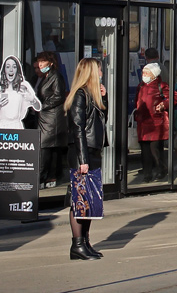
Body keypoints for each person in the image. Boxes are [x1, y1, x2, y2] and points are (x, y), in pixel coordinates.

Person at [64, 57, 107, 261]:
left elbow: (98, 121)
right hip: (83, 153)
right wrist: (83, 159)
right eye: (98, 70)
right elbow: (78, 128)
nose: (101, 73)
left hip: (92, 150)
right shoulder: (80, 95)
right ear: (91, 72)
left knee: (89, 201)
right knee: (79, 200)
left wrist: (103, 99)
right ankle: (77, 244)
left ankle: (86, 242)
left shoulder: (93, 95)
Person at [34, 52, 68, 187]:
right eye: (39, 62)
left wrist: (41, 106)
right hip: (46, 118)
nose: (40, 65)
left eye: (43, 62)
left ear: (51, 63)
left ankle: (44, 177)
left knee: (45, 147)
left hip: (52, 119)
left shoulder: (55, 76)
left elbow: (59, 96)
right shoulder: (46, 77)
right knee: (49, 148)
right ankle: (49, 176)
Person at [133, 62, 170, 182]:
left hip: (156, 124)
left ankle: (161, 169)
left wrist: (163, 105)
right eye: (143, 72)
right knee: (145, 152)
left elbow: (175, 97)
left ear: (153, 74)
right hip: (143, 123)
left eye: (146, 72)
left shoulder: (161, 85)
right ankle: (147, 173)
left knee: (155, 150)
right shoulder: (141, 86)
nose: (144, 74)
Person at [0, 54, 42, 129]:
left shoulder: (24, 85)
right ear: (4, 70)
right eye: (8, 67)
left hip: (16, 127)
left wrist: (32, 99)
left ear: (18, 70)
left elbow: (38, 107)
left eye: (14, 67)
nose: (11, 70)